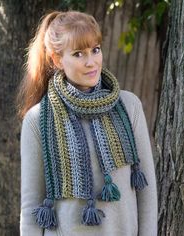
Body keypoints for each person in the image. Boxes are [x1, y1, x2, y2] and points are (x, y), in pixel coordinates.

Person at [17, 10, 157, 236]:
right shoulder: (38, 120)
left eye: (95, 50)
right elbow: (32, 206)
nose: (91, 62)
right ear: (57, 59)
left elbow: (146, 190)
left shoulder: (129, 107)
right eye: (79, 54)